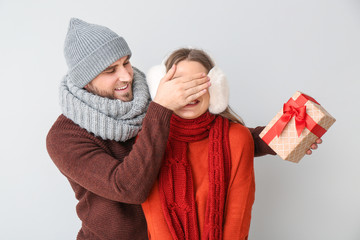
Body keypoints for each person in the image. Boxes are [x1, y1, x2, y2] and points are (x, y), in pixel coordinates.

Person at [46, 19, 320, 240]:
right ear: (84, 81)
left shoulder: (150, 98)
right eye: (110, 70)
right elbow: (128, 188)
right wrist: (161, 108)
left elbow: (209, 137)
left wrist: (288, 137)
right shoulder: (65, 137)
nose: (127, 76)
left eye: (126, 62)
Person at [141, 48, 321, 240]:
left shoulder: (237, 138)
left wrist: (295, 135)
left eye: (200, 83)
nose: (190, 92)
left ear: (216, 89)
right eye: (180, 84)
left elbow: (239, 214)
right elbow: (154, 216)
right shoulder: (149, 140)